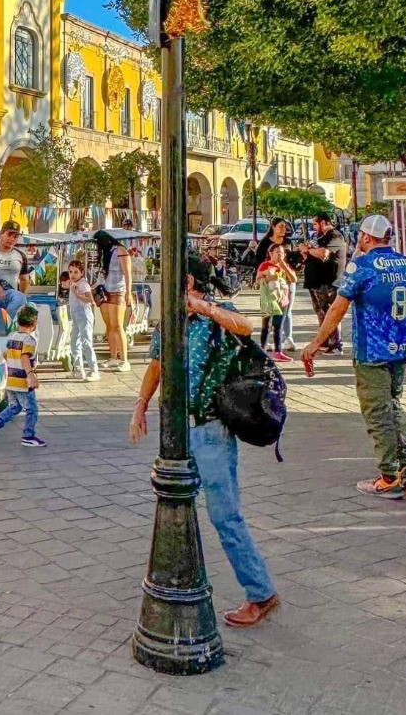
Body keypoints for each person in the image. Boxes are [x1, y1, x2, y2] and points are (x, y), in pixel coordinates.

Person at [129, 253, 280, 628]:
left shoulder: (217, 315)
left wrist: (204, 308)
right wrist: (141, 404)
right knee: (174, 505)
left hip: (210, 429)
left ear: (189, 283)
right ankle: (181, 577)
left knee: (225, 514)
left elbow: (246, 327)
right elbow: (157, 365)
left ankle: (261, 592)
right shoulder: (170, 322)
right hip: (177, 430)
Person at [302, 215, 406, 498]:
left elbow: (337, 309)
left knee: (377, 413)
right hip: (399, 349)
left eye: (360, 236)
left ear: (367, 237)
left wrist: (316, 343)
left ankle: (389, 475)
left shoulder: (363, 266)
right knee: (394, 406)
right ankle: (405, 467)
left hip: (372, 351)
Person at [0, 304, 45, 447]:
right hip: (22, 381)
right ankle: (28, 435)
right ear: (34, 323)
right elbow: (25, 357)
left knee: (15, 406)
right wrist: (30, 374)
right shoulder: (29, 340)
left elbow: (6, 355)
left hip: (11, 379)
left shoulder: (12, 337)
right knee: (32, 408)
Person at [301, 212, 347, 354]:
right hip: (317, 281)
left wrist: (308, 250)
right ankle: (325, 340)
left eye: (315, 224)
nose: (314, 227)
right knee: (321, 311)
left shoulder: (335, 236)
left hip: (329, 282)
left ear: (323, 222)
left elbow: (324, 254)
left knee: (329, 312)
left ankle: (335, 343)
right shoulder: (320, 237)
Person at [254, 218, 298, 349]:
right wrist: (265, 273)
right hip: (270, 282)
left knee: (286, 309)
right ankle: (266, 342)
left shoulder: (288, 243)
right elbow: (258, 263)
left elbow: (294, 261)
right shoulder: (265, 243)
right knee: (269, 312)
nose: (284, 229)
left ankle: (288, 338)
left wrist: (290, 265)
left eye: (285, 227)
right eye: (281, 226)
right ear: (273, 227)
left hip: (286, 280)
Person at [95, 229, 133, 372]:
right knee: (109, 325)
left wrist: (128, 292)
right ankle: (113, 357)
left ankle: (124, 360)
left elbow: (128, 274)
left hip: (118, 291)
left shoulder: (121, 250)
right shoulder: (106, 252)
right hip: (106, 290)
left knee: (117, 325)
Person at [256, 245, 294, 363]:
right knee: (266, 325)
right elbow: (257, 281)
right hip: (269, 299)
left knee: (278, 325)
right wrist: (264, 273)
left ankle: (278, 352)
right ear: (271, 253)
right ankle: (263, 350)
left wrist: (285, 268)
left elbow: (293, 280)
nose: (280, 255)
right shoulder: (265, 265)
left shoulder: (284, 266)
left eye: (282, 253)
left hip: (282, 298)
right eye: (277, 252)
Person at [66, 259, 101, 382]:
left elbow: (90, 299)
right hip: (75, 315)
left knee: (86, 341)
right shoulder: (72, 283)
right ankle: (78, 369)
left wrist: (77, 294)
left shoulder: (83, 284)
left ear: (81, 273)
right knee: (74, 341)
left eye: (76, 272)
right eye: (71, 272)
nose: (73, 274)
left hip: (84, 314)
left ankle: (94, 370)